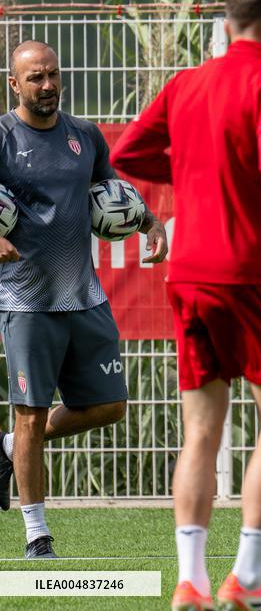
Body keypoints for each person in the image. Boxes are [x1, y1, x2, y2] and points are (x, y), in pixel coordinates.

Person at [110, 0, 261, 611]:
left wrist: (193, 165)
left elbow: (127, 152)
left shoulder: (187, 82)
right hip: (248, 272)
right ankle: (245, 577)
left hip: (186, 271)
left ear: (225, 24)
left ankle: (190, 582)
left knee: (201, 429)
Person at [0, 40, 168, 559]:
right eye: (35, 78)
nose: (47, 85)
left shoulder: (85, 136)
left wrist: (149, 221)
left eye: (53, 74)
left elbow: (110, 191)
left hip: (84, 296)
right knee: (30, 413)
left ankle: (7, 450)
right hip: (25, 300)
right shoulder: (2, 138)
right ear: (14, 84)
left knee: (109, 406)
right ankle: (37, 534)